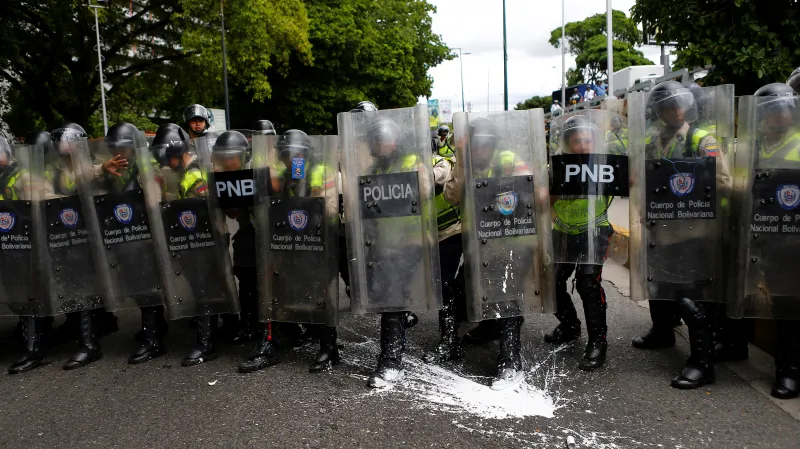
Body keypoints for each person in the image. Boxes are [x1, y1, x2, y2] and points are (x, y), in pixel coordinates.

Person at [638, 80, 726, 388]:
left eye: (677, 104)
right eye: (665, 105)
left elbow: (725, 182)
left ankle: (702, 362)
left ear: (687, 106)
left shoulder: (703, 140)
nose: (673, 110)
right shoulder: (654, 140)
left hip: (692, 232)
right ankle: (662, 332)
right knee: (659, 284)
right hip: (661, 229)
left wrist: (697, 178)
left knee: (690, 296)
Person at [545, 115, 614, 371]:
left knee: (587, 282)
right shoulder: (556, 167)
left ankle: (598, 341)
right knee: (551, 282)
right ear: (567, 143)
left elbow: (628, 183)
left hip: (595, 230)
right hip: (563, 231)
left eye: (587, 140)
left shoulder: (606, 165)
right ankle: (570, 325)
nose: (583, 145)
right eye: (577, 140)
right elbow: (545, 202)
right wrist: (552, 188)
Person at [749, 83, 800, 398]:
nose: (779, 116)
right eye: (772, 111)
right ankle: (788, 369)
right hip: (768, 241)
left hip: (796, 241)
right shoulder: (754, 147)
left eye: (784, 110)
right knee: (783, 306)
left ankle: (791, 370)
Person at [422, 120, 463, 365]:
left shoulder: (441, 162)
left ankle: (449, 341)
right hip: (423, 236)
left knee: (445, 283)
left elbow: (437, 176)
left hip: (451, 231)